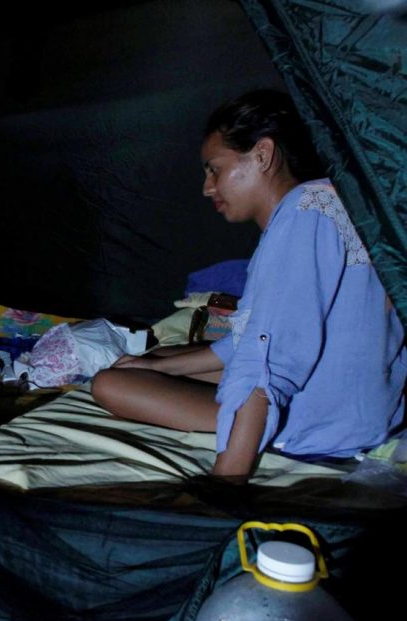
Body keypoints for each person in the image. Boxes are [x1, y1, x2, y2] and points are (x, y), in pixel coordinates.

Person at [91, 89, 406, 482]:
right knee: (166, 355)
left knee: (110, 384)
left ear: (262, 154)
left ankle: (249, 433)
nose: (207, 188)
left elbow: (267, 357)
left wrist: (228, 481)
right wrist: (159, 365)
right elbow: (258, 335)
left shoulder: (301, 215)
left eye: (214, 169)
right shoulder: (334, 201)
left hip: (323, 422)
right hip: (368, 407)